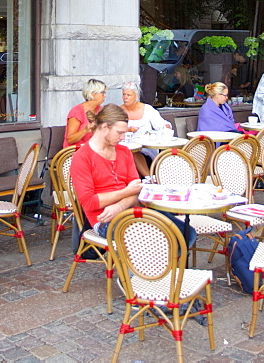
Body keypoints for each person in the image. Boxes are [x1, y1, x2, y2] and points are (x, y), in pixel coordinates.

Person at [70, 105, 197, 250]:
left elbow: (137, 190)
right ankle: (144, 270)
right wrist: (127, 193)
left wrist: (120, 205)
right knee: (155, 239)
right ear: (104, 127)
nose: (123, 137)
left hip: (132, 209)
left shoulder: (124, 151)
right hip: (105, 219)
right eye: (119, 133)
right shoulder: (82, 157)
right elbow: (89, 202)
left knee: (186, 233)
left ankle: (161, 268)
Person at [121, 81, 172, 177]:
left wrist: (166, 127)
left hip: (147, 149)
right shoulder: (118, 111)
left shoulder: (147, 109)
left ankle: (148, 180)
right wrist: (127, 130)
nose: (125, 97)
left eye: (129, 95)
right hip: (126, 149)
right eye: (124, 94)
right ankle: (149, 179)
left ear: (136, 96)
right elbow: (113, 130)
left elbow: (161, 124)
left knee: (135, 153)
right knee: (132, 152)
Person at [64, 79, 107, 148]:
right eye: (102, 93)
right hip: (76, 151)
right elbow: (70, 139)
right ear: (93, 93)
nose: (105, 96)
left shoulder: (100, 110)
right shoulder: (77, 111)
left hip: (95, 149)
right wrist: (85, 130)